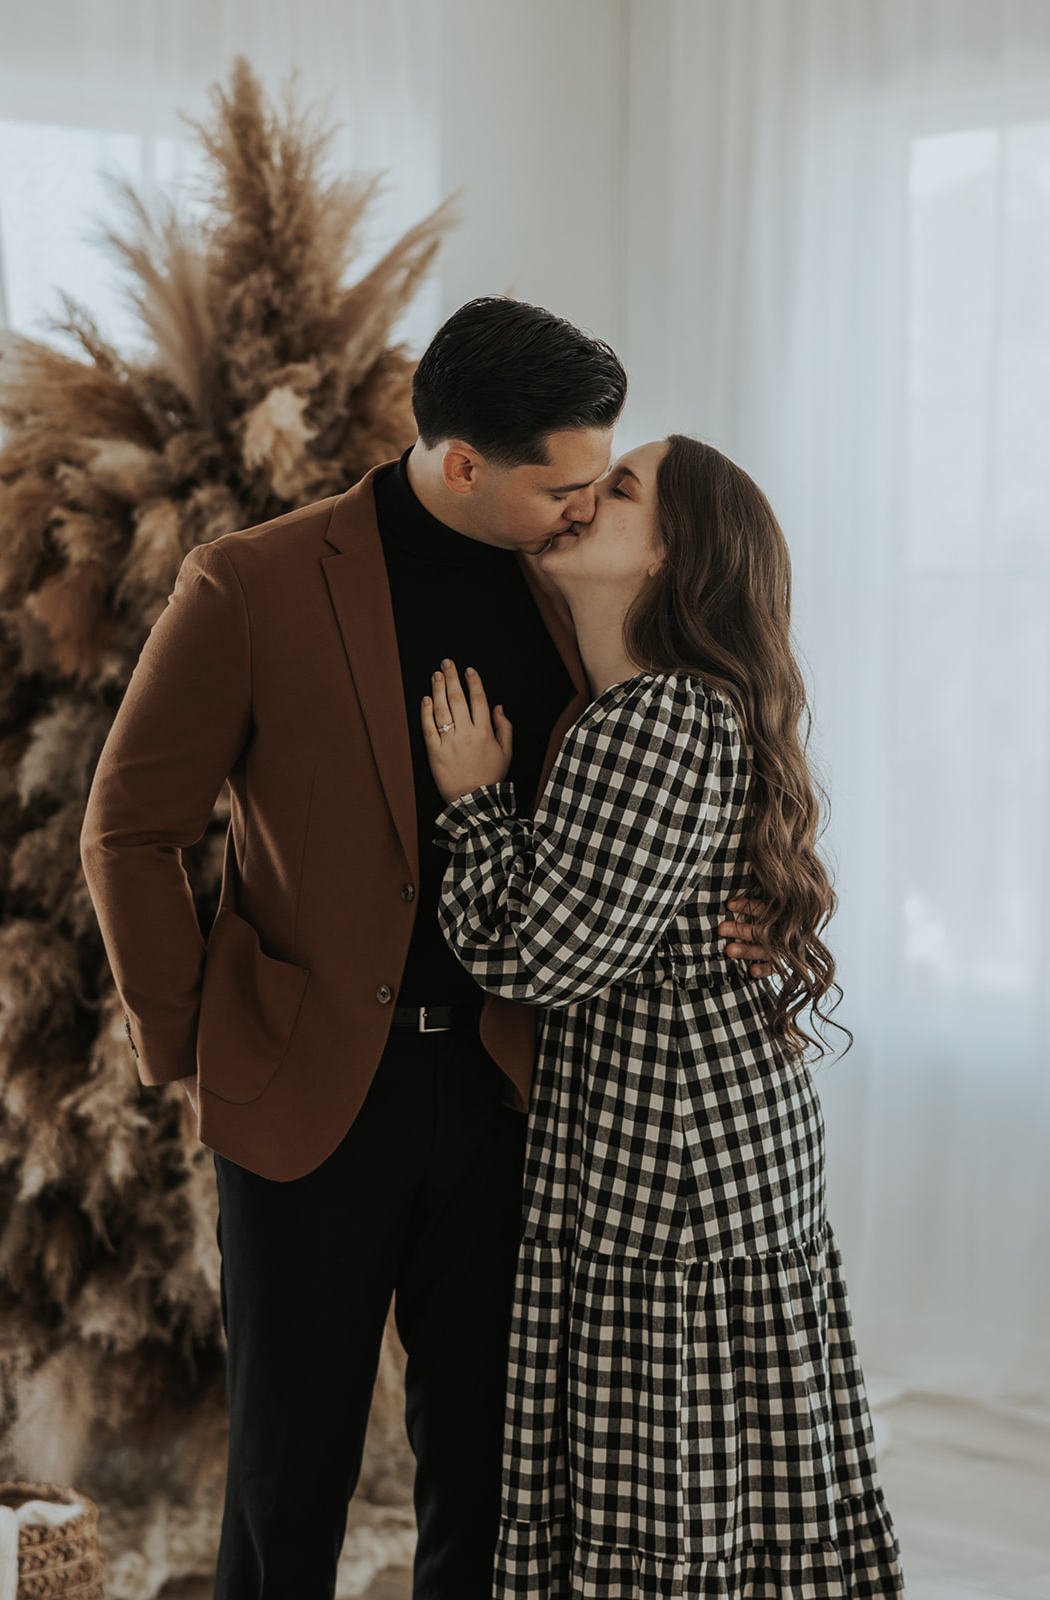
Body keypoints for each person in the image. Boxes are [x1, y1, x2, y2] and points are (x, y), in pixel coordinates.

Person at [79, 299, 769, 1600]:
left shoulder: (580, 586)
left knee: (494, 1483)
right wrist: (185, 1042)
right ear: (464, 465)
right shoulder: (252, 581)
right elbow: (127, 827)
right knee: (289, 1482)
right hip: (307, 1103)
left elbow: (708, 731)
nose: (582, 509)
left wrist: (761, 909)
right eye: (560, 484)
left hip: (518, 1102)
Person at [422, 434, 905, 1598]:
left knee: (673, 1478)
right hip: (690, 1138)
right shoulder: (639, 711)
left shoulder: (654, 717)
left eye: (620, 487)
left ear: (670, 557)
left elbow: (535, 954)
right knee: (722, 1466)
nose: (586, 498)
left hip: (670, 1161)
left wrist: (477, 806)